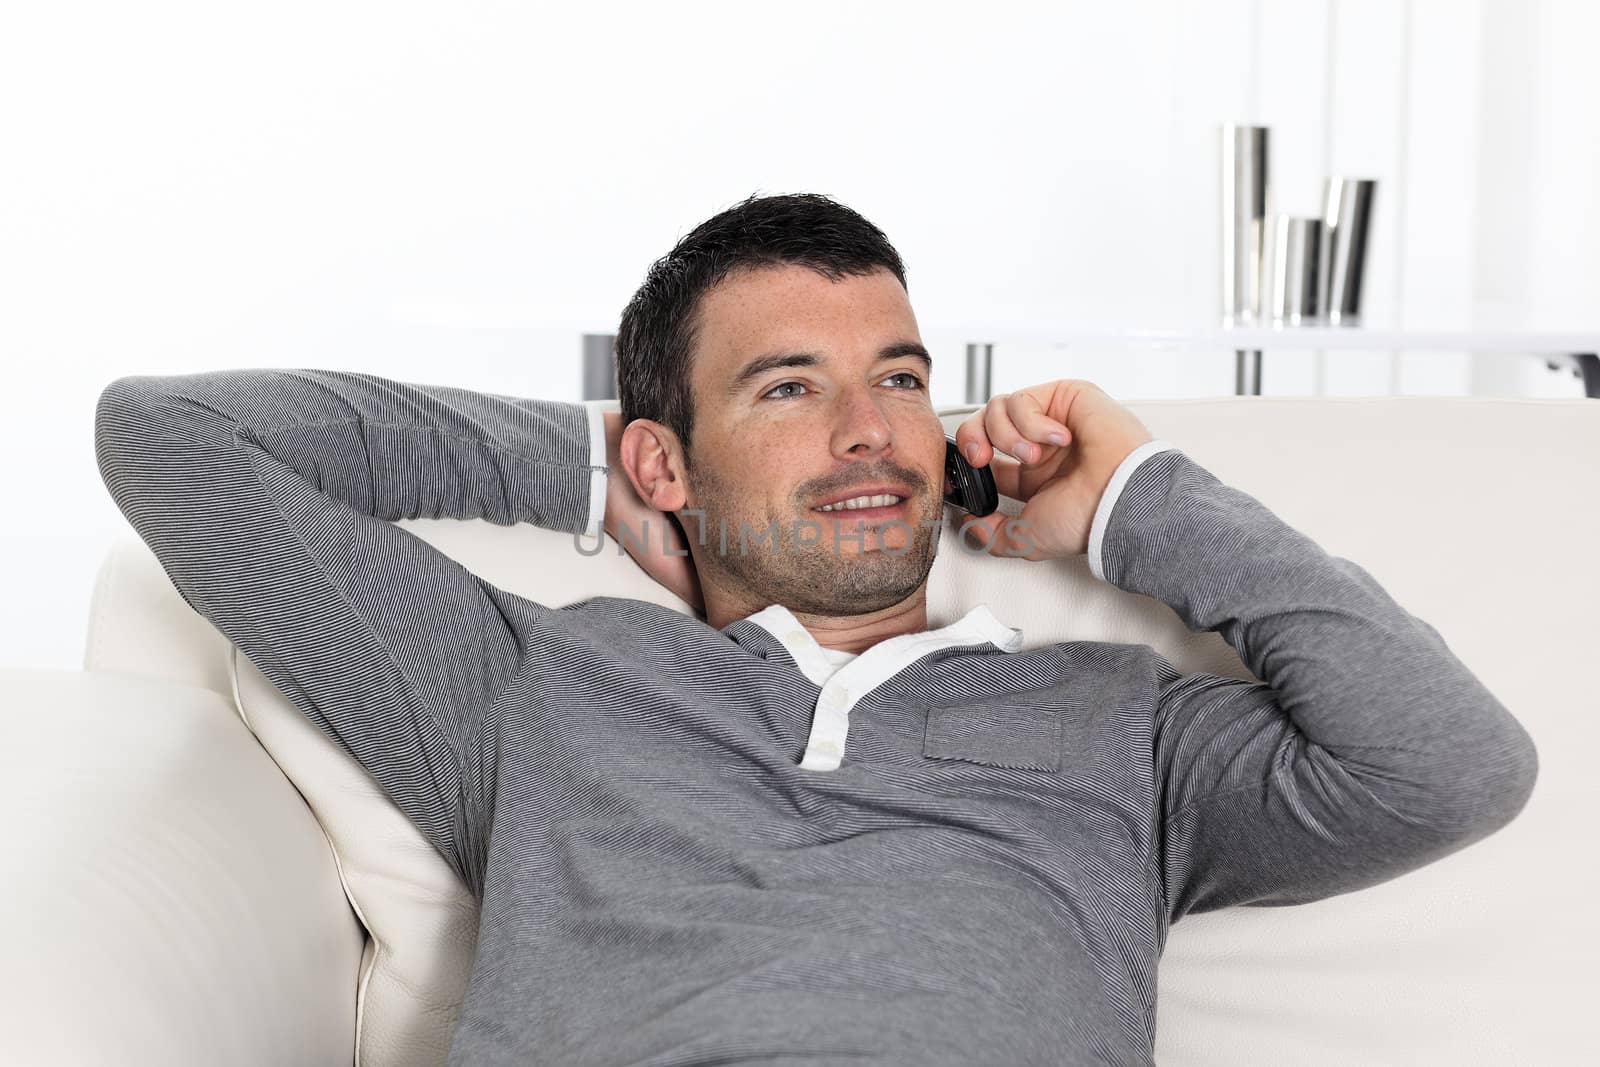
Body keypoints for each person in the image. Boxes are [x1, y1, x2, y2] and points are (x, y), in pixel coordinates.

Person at [94, 192, 1538, 1067]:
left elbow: (1451, 765)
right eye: (788, 390)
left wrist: (1136, 505)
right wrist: (586, 466)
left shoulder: (1120, 724)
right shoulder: (536, 685)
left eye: (900, 379)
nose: (869, 435)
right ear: (668, 460)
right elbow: (174, 441)